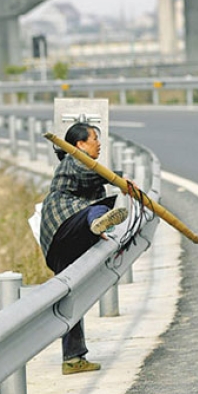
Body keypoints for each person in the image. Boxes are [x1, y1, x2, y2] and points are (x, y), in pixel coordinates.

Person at [39, 122, 129, 375]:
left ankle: (73, 357)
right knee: (100, 207)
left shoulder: (78, 165)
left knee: (71, 295)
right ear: (80, 144)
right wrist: (120, 179)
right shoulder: (73, 159)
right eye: (94, 139)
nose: (98, 144)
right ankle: (96, 224)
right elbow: (94, 172)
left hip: (59, 242)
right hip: (64, 224)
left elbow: (94, 177)